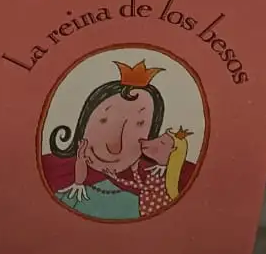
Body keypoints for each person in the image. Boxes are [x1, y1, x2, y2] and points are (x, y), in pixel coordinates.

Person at [41, 58, 197, 221]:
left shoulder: (165, 187)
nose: (115, 146)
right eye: (104, 120)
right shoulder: (54, 174)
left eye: (139, 124)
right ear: (83, 123)